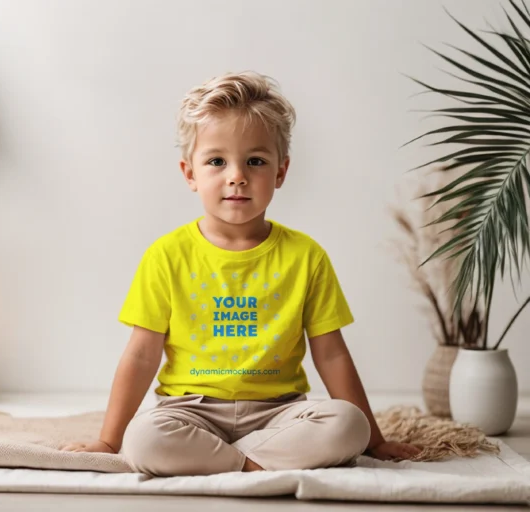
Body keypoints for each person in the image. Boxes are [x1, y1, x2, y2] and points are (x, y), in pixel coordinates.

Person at [61, 71, 422, 476]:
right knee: (144, 439)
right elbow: (142, 354)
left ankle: (223, 461)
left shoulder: (306, 256)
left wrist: (374, 439)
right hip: (191, 413)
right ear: (190, 174)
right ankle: (257, 463)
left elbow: (332, 352)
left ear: (281, 172)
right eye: (217, 161)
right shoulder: (166, 256)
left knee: (346, 425)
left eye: (255, 161)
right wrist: (109, 440)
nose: (237, 175)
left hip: (279, 413)